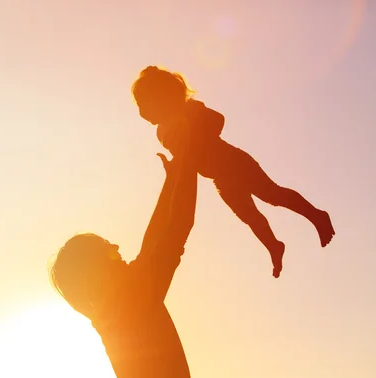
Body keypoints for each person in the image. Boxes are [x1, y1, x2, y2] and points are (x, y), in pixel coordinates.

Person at [131, 65, 335, 278]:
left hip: (235, 162)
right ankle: (274, 246)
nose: (142, 111)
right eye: (139, 105)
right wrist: (173, 168)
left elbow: (218, 120)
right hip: (221, 179)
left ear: (164, 97)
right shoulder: (163, 132)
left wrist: (196, 133)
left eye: (144, 103)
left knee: (273, 195)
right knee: (250, 216)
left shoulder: (190, 110)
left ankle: (317, 215)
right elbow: (183, 156)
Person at [49, 147, 198, 378]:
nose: (117, 248)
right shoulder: (131, 300)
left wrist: (173, 178)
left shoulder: (111, 309)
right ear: (95, 269)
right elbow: (177, 227)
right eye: (108, 249)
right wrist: (191, 157)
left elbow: (154, 240)